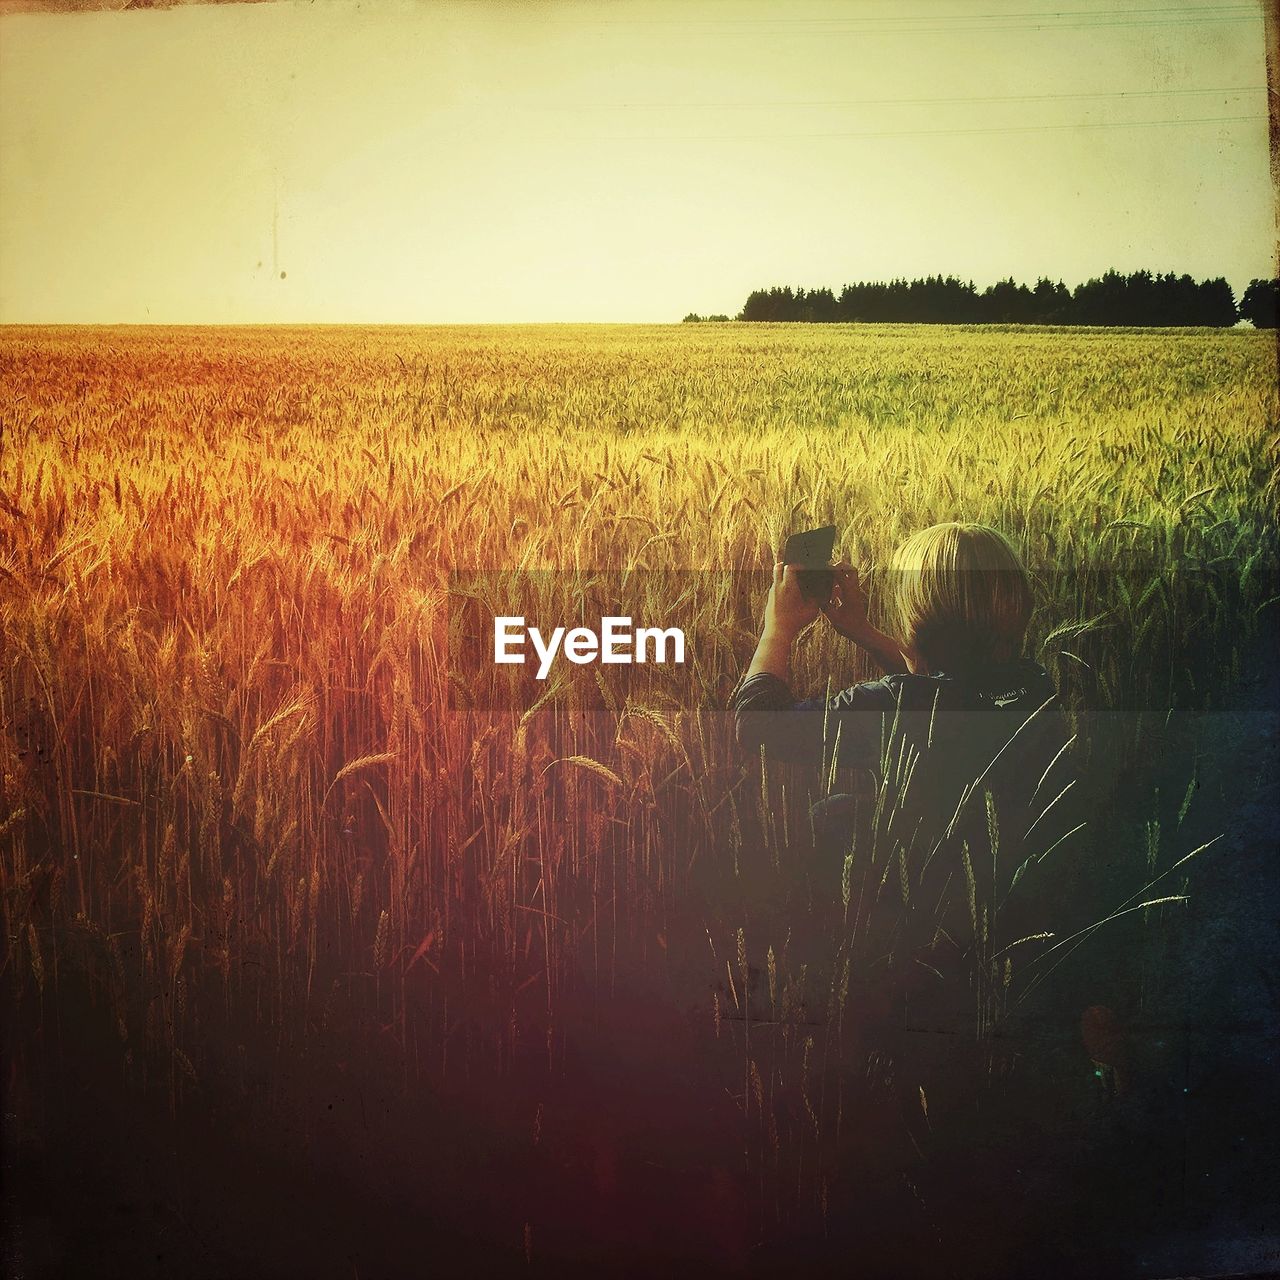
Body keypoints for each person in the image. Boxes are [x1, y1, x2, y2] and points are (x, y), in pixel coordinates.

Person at [731, 522, 1084, 1077]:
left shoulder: (900, 706)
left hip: (914, 943)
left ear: (922, 610)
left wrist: (779, 630)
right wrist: (864, 632)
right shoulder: (1034, 686)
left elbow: (757, 726)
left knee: (829, 820)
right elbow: (947, 691)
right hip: (1006, 922)